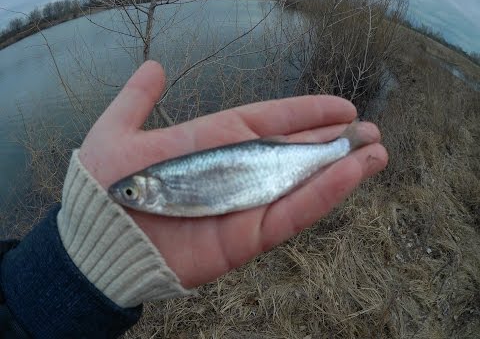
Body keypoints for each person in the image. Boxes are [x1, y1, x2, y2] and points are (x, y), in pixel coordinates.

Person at [0, 61, 388, 338]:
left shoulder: (163, 191)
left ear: (151, 189)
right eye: (129, 195)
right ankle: (342, 145)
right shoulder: (156, 193)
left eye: (132, 193)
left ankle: (342, 145)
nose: (128, 200)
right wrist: (75, 261)